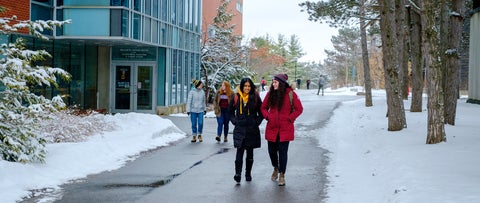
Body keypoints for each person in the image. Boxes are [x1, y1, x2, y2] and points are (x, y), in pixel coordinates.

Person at [261, 73, 303, 186]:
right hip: (272, 128)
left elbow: (299, 109)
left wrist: (290, 118)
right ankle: (275, 167)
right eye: (273, 82)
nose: (273, 84)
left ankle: (282, 174)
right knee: (272, 152)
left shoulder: (290, 94)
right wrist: (268, 116)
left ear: (281, 83)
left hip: (285, 129)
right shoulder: (270, 94)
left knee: (283, 153)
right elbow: (263, 107)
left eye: (275, 82)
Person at [229, 78, 264, 184]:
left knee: (250, 152)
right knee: (239, 150)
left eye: (249, 86)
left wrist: (256, 122)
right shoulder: (236, 97)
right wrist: (235, 121)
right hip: (240, 128)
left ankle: (248, 173)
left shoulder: (255, 97)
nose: (247, 88)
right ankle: (237, 174)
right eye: (245, 86)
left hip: (251, 129)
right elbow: (230, 112)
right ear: (242, 86)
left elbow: (261, 112)